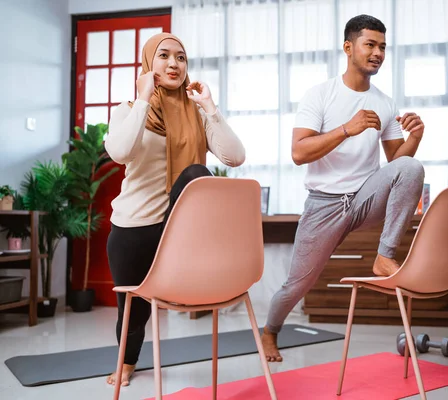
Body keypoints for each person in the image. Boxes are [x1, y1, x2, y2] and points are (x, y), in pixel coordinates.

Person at [261, 14, 426, 362]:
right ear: (348, 47)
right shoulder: (320, 95)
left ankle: (384, 256)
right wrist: (345, 130)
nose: (378, 53)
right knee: (297, 285)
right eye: (371, 45)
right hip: (324, 204)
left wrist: (416, 137)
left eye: (383, 46)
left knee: (412, 166)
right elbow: (298, 153)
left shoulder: (384, 102)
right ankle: (270, 331)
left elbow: (399, 164)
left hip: (365, 198)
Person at [104, 32, 245, 386]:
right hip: (134, 227)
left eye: (180, 58)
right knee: (132, 311)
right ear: (149, 63)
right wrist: (142, 99)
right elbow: (120, 152)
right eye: (164, 56)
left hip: (179, 230)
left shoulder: (197, 114)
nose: (173, 63)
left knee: (197, 172)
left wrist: (210, 108)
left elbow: (235, 156)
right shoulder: (127, 110)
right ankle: (126, 362)